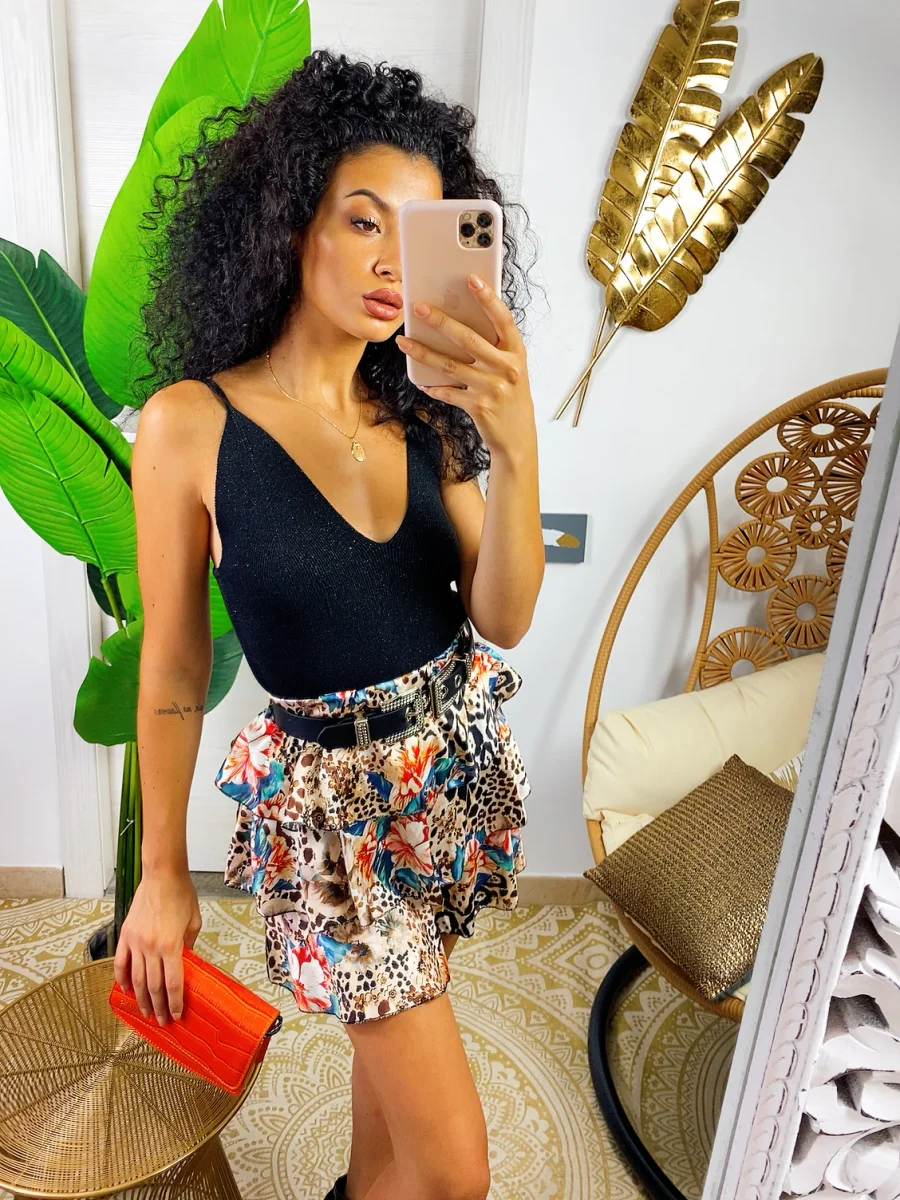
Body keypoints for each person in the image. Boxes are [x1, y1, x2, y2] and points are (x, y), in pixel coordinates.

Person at [114, 49, 544, 1200]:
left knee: (390, 1108)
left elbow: (502, 617)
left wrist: (514, 442)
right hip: (336, 820)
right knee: (456, 1175)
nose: (394, 262)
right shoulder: (191, 426)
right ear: (291, 220)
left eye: (419, 231)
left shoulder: (427, 410)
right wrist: (162, 871)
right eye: (364, 221)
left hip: (448, 768)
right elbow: (174, 664)